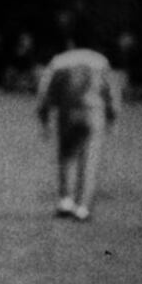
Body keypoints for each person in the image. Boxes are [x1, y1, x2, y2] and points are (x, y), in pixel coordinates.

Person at [36, 48, 119, 221]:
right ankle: (83, 207)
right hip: (94, 113)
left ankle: (66, 200)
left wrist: (44, 118)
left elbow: (45, 92)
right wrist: (112, 116)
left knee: (66, 156)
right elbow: (111, 91)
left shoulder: (60, 61)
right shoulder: (100, 61)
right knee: (90, 161)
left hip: (68, 112)